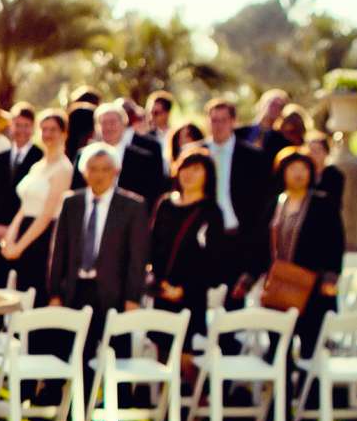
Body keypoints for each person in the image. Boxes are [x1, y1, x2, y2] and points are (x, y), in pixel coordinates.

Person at [43, 142, 150, 369]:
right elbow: (58, 251)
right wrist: (54, 293)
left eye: (105, 169)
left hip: (115, 292)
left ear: (116, 171)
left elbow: (137, 257)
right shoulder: (71, 202)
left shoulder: (132, 206)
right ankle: (78, 402)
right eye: (93, 169)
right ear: (84, 172)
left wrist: (133, 297)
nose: (99, 175)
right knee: (77, 354)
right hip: (77, 289)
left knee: (118, 356)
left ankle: (120, 402)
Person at [254, 147, 346, 356]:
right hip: (279, 285)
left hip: (313, 285)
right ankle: (282, 386)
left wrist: (331, 278)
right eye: (292, 168)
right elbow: (260, 244)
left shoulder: (323, 204)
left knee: (311, 347)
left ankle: (309, 388)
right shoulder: (275, 204)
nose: (298, 173)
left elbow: (336, 242)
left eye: (303, 168)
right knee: (279, 348)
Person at [148, 148, 224, 352]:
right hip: (161, 291)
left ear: (207, 175)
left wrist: (184, 290)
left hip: (191, 295)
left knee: (185, 354)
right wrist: (158, 282)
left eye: (196, 169)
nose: (188, 174)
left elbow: (213, 261)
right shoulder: (165, 204)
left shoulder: (211, 211)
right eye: (185, 168)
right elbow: (152, 246)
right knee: (160, 350)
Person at [0, 109, 74, 302]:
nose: (48, 134)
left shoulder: (64, 168)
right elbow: (25, 207)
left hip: (44, 237)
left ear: (64, 133)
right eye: (44, 129)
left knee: (37, 293)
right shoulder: (37, 166)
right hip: (24, 231)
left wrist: (20, 247)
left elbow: (47, 214)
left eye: (53, 130)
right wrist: (10, 238)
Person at [203, 98, 271, 296]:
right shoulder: (196, 152)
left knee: (232, 307)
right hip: (202, 240)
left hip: (237, 239)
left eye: (223, 120)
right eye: (214, 120)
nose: (218, 126)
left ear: (233, 121)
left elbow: (260, 206)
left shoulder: (254, 157)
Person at [0, 102, 42, 285]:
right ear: (10, 126)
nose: (21, 130)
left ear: (32, 128)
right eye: (18, 125)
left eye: (26, 126)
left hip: (24, 238)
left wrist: (13, 229)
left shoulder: (39, 158)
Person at [100, 103, 167, 208]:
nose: (108, 127)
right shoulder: (84, 155)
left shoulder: (142, 158)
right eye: (103, 123)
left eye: (113, 122)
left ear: (124, 125)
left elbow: (152, 193)